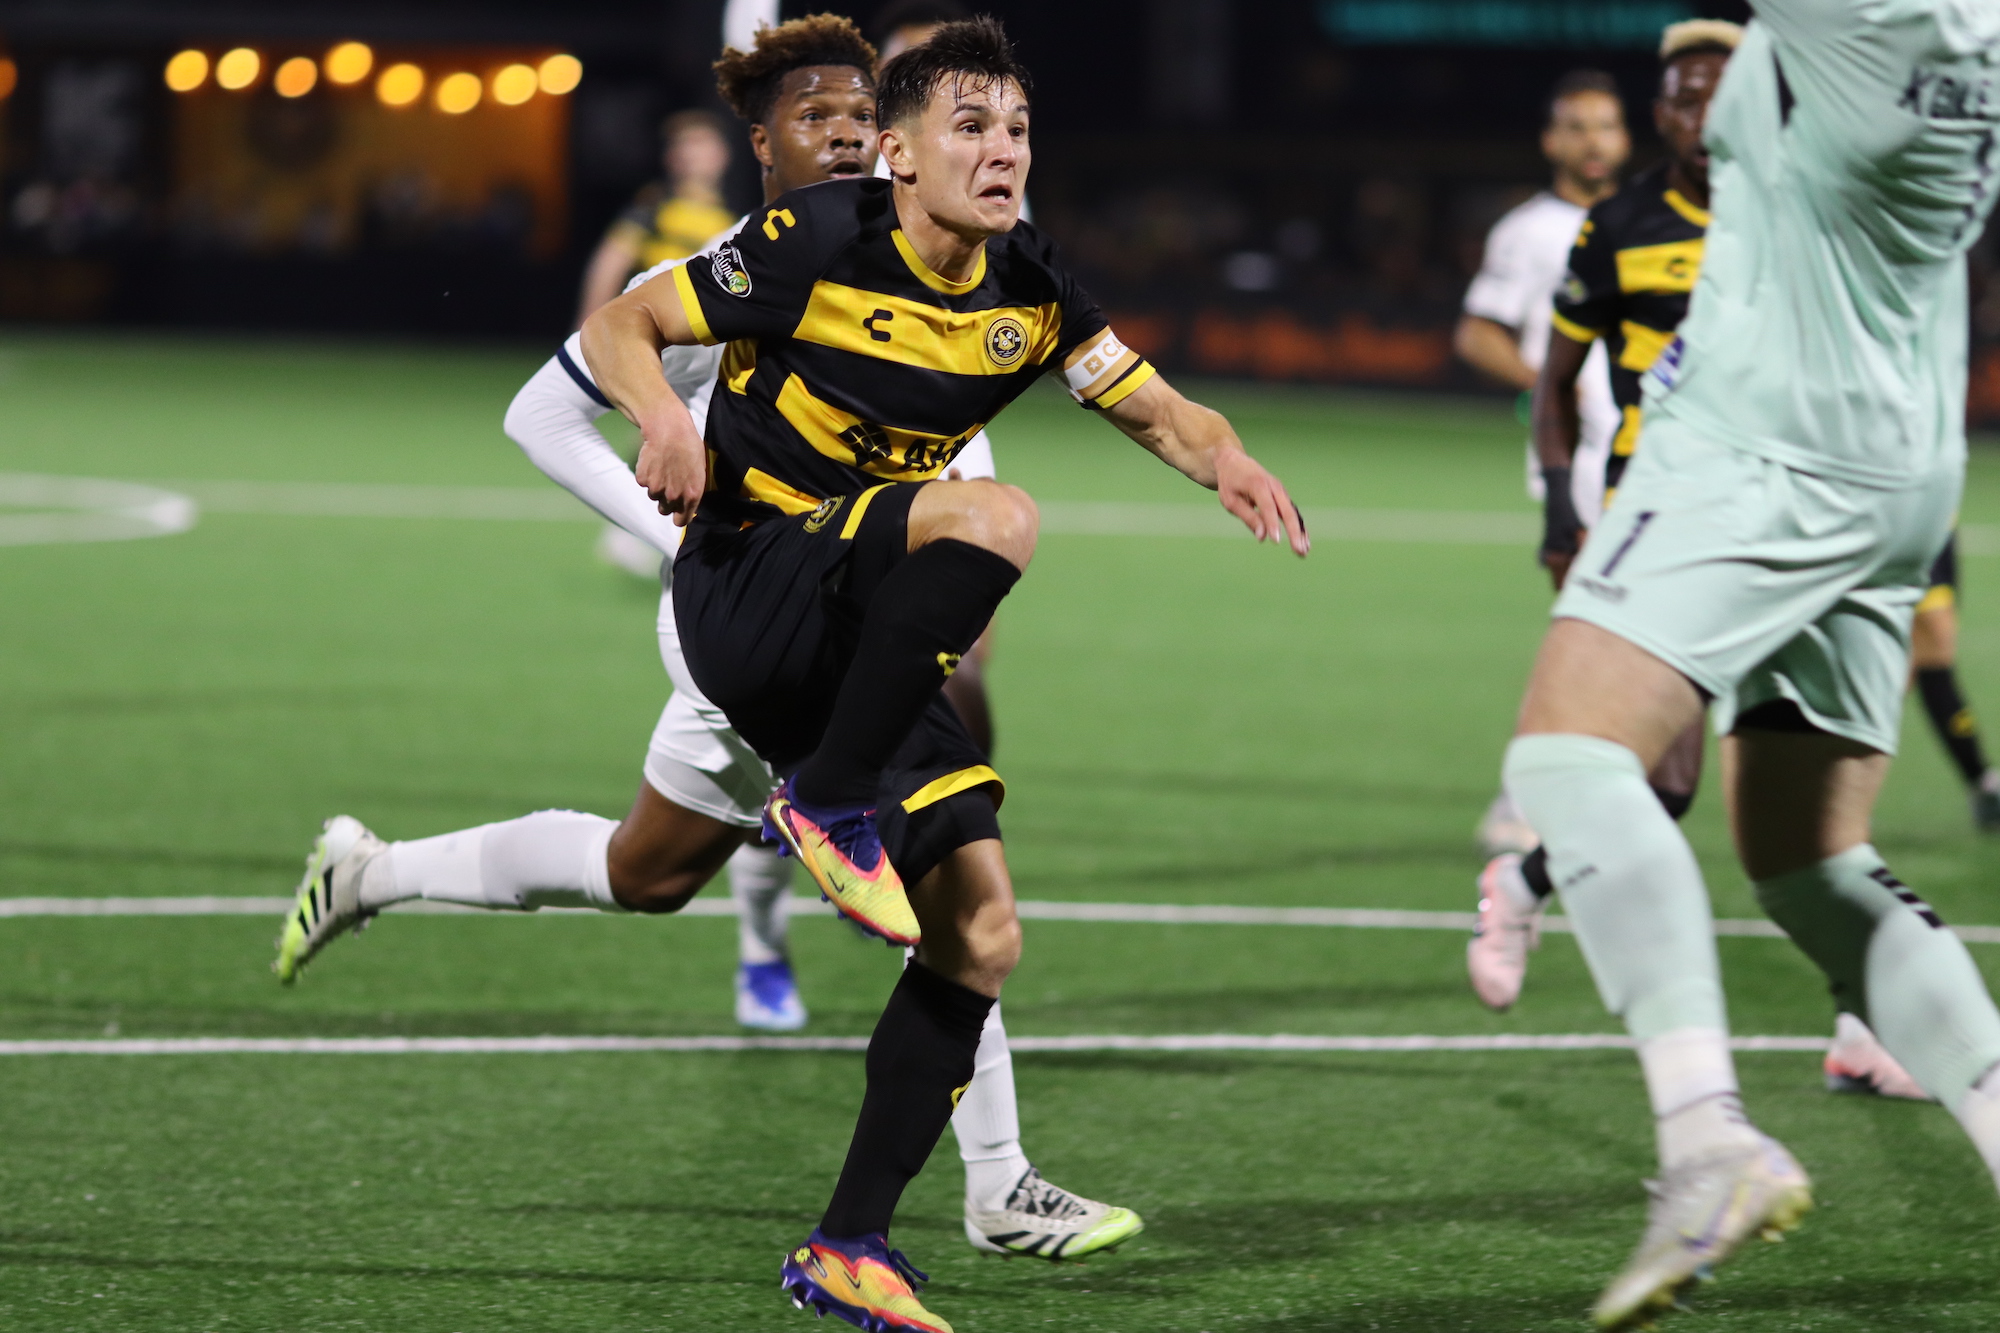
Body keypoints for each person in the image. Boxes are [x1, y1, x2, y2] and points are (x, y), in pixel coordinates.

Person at [272, 12, 1141, 1272]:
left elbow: (945, 450)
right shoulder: (734, 271)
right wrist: (687, 536)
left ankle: (369, 873)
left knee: (646, 869)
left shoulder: (920, 267)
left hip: (823, 609)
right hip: (757, 616)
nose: (842, 134)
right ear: (759, 145)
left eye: (860, 115)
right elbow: (542, 414)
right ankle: (988, 1182)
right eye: (813, 118)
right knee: (944, 880)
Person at [584, 19, 1307, 1331]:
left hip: (857, 628)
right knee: (996, 514)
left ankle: (849, 1243)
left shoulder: (1029, 284)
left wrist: (1230, 459)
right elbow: (621, 321)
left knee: (981, 934)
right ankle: (826, 804)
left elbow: (1157, 408)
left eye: (1017, 128)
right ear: (900, 154)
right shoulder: (816, 238)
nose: (1003, 150)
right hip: (748, 583)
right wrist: (664, 415)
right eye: (970, 127)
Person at [1498, 3, 2000, 1326]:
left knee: (1565, 757)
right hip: (1903, 460)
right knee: (1810, 861)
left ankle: (1706, 1138)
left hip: (1769, 444)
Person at [1457, 70, 1630, 857]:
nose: (1594, 141)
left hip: (1658, 451)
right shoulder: (1527, 232)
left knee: (1618, 631)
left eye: (1607, 125)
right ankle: (1526, 792)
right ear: (1552, 140)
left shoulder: (1650, 217)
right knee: (1593, 626)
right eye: (1578, 126)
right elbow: (1477, 333)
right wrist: (1548, 385)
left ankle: (1587, 780)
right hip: (1579, 459)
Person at [577, 110, 739, 326]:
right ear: (670, 156)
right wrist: (588, 322)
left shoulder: (734, 221)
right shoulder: (651, 207)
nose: (690, 153)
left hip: (703, 330)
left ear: (722, 154)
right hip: (650, 322)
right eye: (682, 143)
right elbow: (610, 263)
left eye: (699, 143)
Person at [1912, 533, 2000, 828]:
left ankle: (1981, 781)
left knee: (1931, 654)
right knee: (1927, 643)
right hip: (1890, 520)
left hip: (1932, 524)